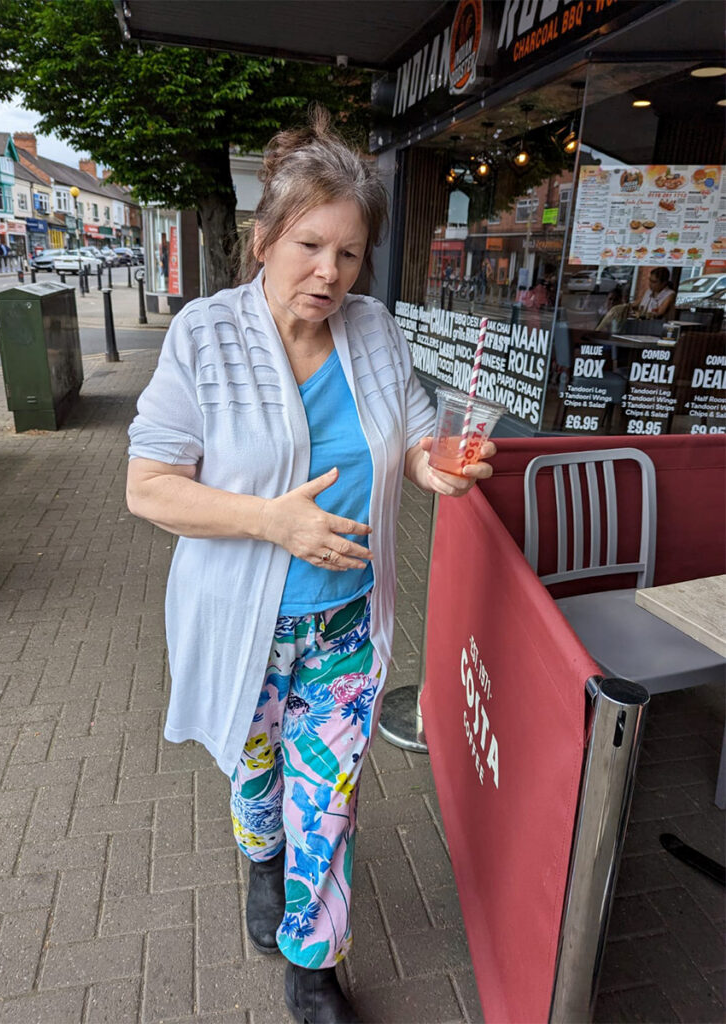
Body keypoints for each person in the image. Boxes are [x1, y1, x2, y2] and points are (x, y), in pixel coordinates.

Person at [126, 108, 495, 1024]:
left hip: (344, 624)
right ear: (262, 240)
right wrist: (270, 521)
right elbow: (148, 487)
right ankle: (260, 858)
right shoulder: (205, 336)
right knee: (256, 779)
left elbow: (410, 435)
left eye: (349, 253)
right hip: (241, 629)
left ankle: (312, 961)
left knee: (326, 803)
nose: (329, 273)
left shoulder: (374, 330)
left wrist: (434, 465)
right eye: (309, 246)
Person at [595, 266, 676, 330]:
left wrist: (643, 313)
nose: (650, 284)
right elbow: (636, 303)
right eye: (650, 281)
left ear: (664, 283)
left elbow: (660, 313)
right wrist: (624, 307)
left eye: (654, 282)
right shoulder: (649, 292)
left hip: (652, 325)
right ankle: (599, 330)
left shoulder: (669, 294)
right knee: (616, 310)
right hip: (638, 321)